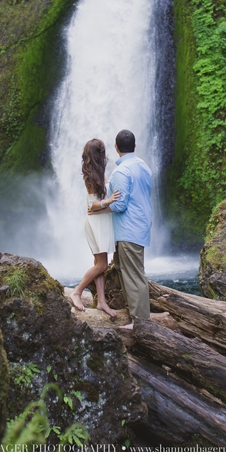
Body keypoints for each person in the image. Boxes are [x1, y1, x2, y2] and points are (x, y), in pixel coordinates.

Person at [105, 129, 152, 329]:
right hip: (140, 226)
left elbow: (119, 205)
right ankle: (133, 314)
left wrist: (102, 203)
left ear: (115, 147)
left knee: (134, 275)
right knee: (125, 270)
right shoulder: (144, 167)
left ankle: (141, 323)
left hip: (128, 228)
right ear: (135, 146)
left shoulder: (121, 171)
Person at [68, 139, 120, 317]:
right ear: (98, 155)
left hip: (102, 221)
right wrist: (110, 200)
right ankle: (77, 292)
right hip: (95, 222)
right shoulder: (91, 176)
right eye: (102, 152)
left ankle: (101, 302)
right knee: (103, 264)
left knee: (100, 263)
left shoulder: (98, 173)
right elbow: (93, 206)